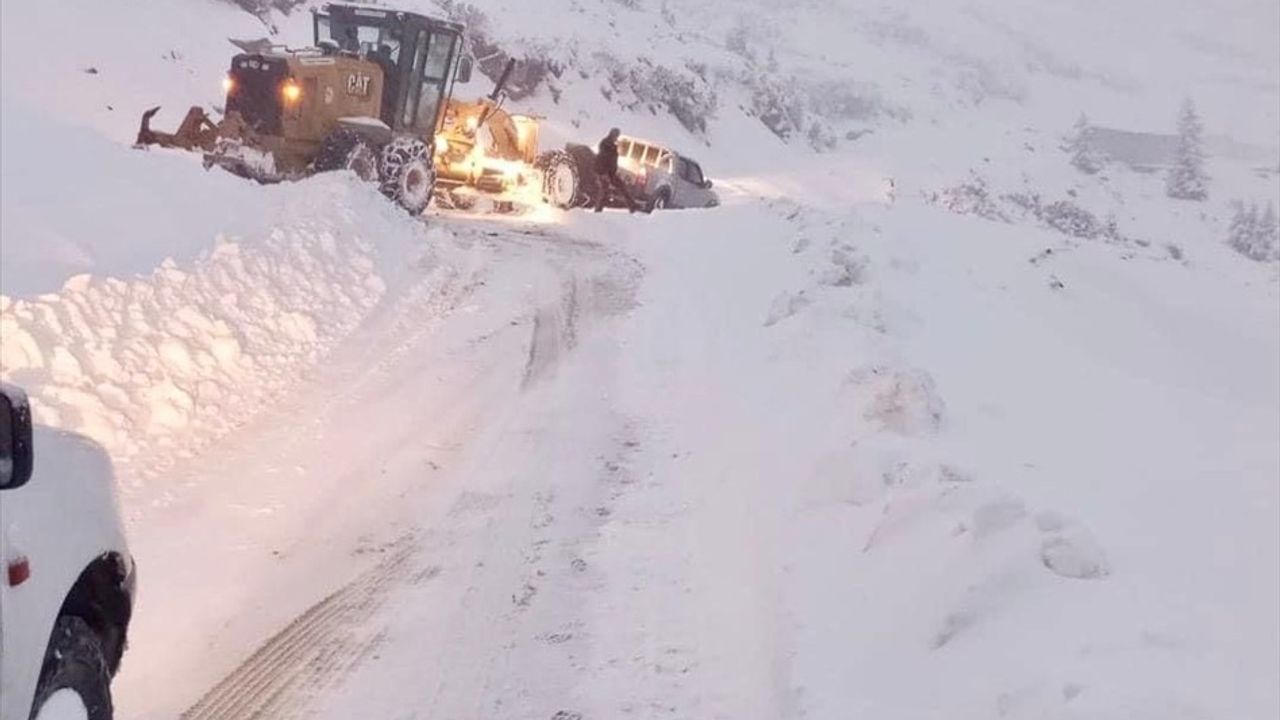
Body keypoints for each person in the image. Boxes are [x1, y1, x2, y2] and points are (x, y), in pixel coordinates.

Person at [594, 128, 640, 213]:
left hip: (610, 173)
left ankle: (632, 205)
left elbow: (611, 160)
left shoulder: (610, 144)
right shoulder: (606, 144)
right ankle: (598, 209)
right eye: (616, 135)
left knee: (620, 187)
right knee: (605, 191)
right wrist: (604, 174)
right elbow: (603, 159)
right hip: (604, 172)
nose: (616, 137)